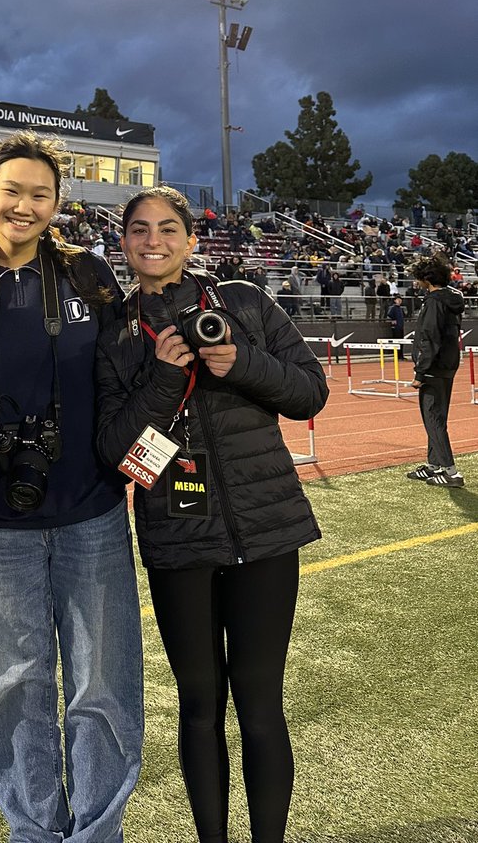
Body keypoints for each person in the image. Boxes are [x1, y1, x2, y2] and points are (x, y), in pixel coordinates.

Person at [96, 186, 328, 843]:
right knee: (200, 706)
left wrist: (242, 362)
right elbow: (117, 453)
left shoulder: (245, 303)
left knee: (260, 706)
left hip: (267, 532)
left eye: (168, 228)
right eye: (139, 230)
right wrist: (164, 378)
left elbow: (311, 393)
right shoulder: (117, 334)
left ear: (192, 241)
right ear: (124, 243)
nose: (153, 241)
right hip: (178, 542)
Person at [0, 131, 143, 843]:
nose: (25, 205)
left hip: (92, 513)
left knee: (103, 687)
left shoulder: (91, 276)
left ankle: (98, 834)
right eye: (13, 191)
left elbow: (127, 379)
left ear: (59, 202)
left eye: (40, 193)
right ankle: (33, 832)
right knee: (11, 690)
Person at [407, 253, 466, 488]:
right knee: (435, 418)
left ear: (426, 279)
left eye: (418, 278)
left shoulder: (434, 302)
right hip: (447, 364)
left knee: (433, 419)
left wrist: (420, 373)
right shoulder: (450, 299)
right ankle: (434, 466)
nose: (417, 282)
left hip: (433, 368)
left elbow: (430, 338)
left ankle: (451, 473)